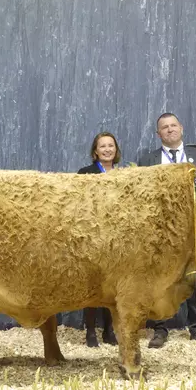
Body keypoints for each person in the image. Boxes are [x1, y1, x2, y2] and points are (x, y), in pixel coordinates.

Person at [138, 112, 196, 349]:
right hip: (160, 231)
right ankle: (160, 329)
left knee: (194, 276)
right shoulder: (147, 160)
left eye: (173, 125)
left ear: (181, 128)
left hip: (192, 227)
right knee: (161, 279)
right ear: (158, 134)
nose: (169, 130)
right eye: (164, 127)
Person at [77, 131, 121, 347]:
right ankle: (90, 331)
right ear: (95, 151)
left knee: (112, 285)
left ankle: (109, 330)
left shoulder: (125, 174)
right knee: (92, 283)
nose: (107, 149)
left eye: (110, 145)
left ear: (116, 149)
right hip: (93, 234)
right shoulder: (85, 173)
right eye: (102, 146)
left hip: (117, 237)